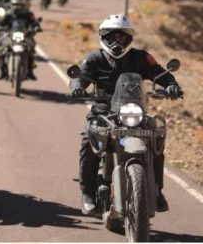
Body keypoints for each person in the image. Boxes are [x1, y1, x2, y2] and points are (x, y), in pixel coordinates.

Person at [69, 14, 183, 215]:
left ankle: (157, 191)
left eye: (121, 37)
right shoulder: (94, 58)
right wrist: (77, 87)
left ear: (129, 38)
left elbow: (159, 72)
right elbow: (81, 77)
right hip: (104, 112)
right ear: (103, 37)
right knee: (89, 140)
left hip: (135, 111)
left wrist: (171, 84)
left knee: (157, 138)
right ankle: (87, 193)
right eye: (112, 37)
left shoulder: (140, 57)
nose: (116, 41)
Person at [0, 0, 41, 81]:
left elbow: (34, 23)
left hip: (25, 35)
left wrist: (36, 27)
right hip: (9, 35)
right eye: (15, 5)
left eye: (19, 5)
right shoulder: (8, 14)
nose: (17, 7)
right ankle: (1, 70)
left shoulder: (28, 14)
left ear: (23, 5)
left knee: (32, 48)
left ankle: (30, 71)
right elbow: (0, 22)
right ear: (11, 5)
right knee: (1, 47)